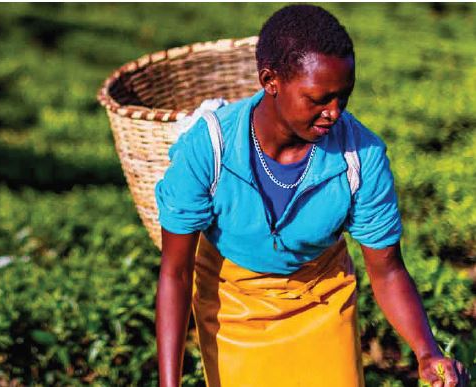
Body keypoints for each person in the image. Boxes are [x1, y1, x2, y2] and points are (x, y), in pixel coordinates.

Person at [154, 5, 470, 387]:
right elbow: (175, 272)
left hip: (322, 300)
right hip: (231, 304)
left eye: (343, 97)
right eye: (319, 99)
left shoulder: (361, 156)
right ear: (270, 80)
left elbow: (387, 270)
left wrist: (426, 351)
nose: (333, 113)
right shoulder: (210, 148)